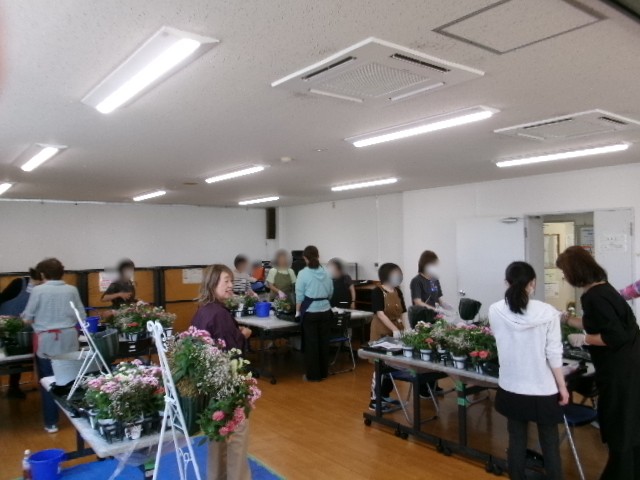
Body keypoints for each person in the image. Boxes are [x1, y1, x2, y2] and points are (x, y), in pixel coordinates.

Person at [556, 246, 640, 479]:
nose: (564, 277)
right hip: (631, 365)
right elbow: (598, 323)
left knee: (619, 425)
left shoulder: (593, 296)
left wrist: (584, 339)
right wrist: (567, 319)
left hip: (619, 370)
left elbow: (615, 336)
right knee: (630, 424)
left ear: (575, 271)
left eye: (564, 272)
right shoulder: (605, 289)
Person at [489, 261, 569, 480]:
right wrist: (562, 387)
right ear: (533, 283)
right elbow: (554, 353)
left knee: (516, 440)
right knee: (550, 443)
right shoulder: (548, 312)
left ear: (506, 283)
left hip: (511, 386)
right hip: (543, 389)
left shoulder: (495, 310)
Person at [191, 264, 252, 480]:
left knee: (217, 430)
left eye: (231, 281)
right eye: (226, 281)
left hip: (209, 382)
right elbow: (231, 351)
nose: (230, 285)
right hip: (226, 381)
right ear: (212, 283)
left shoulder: (203, 311)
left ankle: (216, 476)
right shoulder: (219, 314)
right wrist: (243, 335)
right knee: (237, 432)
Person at [22, 258, 84, 433]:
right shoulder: (72, 289)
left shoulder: (38, 290)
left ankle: (52, 423)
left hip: (47, 340)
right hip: (69, 339)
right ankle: (76, 415)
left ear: (42, 274)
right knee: (71, 378)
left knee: (48, 380)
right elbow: (81, 316)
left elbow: (27, 318)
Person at [368, 263, 409, 412]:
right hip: (381, 331)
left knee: (392, 365)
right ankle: (375, 400)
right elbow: (380, 313)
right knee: (380, 365)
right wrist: (394, 329)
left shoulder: (397, 291)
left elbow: (403, 312)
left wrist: (405, 329)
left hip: (396, 330)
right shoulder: (377, 291)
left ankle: (384, 395)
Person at [0, 267, 43, 398]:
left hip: (24, 326)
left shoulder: (41, 289)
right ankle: (12, 387)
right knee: (6, 354)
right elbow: (2, 298)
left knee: (19, 355)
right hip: (6, 324)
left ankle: (14, 387)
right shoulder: (19, 283)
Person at [295, 245, 333, 382]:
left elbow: (299, 296)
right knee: (324, 343)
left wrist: (297, 312)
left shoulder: (303, 273)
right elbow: (331, 292)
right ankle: (324, 373)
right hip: (326, 310)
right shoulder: (327, 272)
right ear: (318, 256)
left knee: (312, 345)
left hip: (310, 312)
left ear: (305, 258)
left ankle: (313, 375)